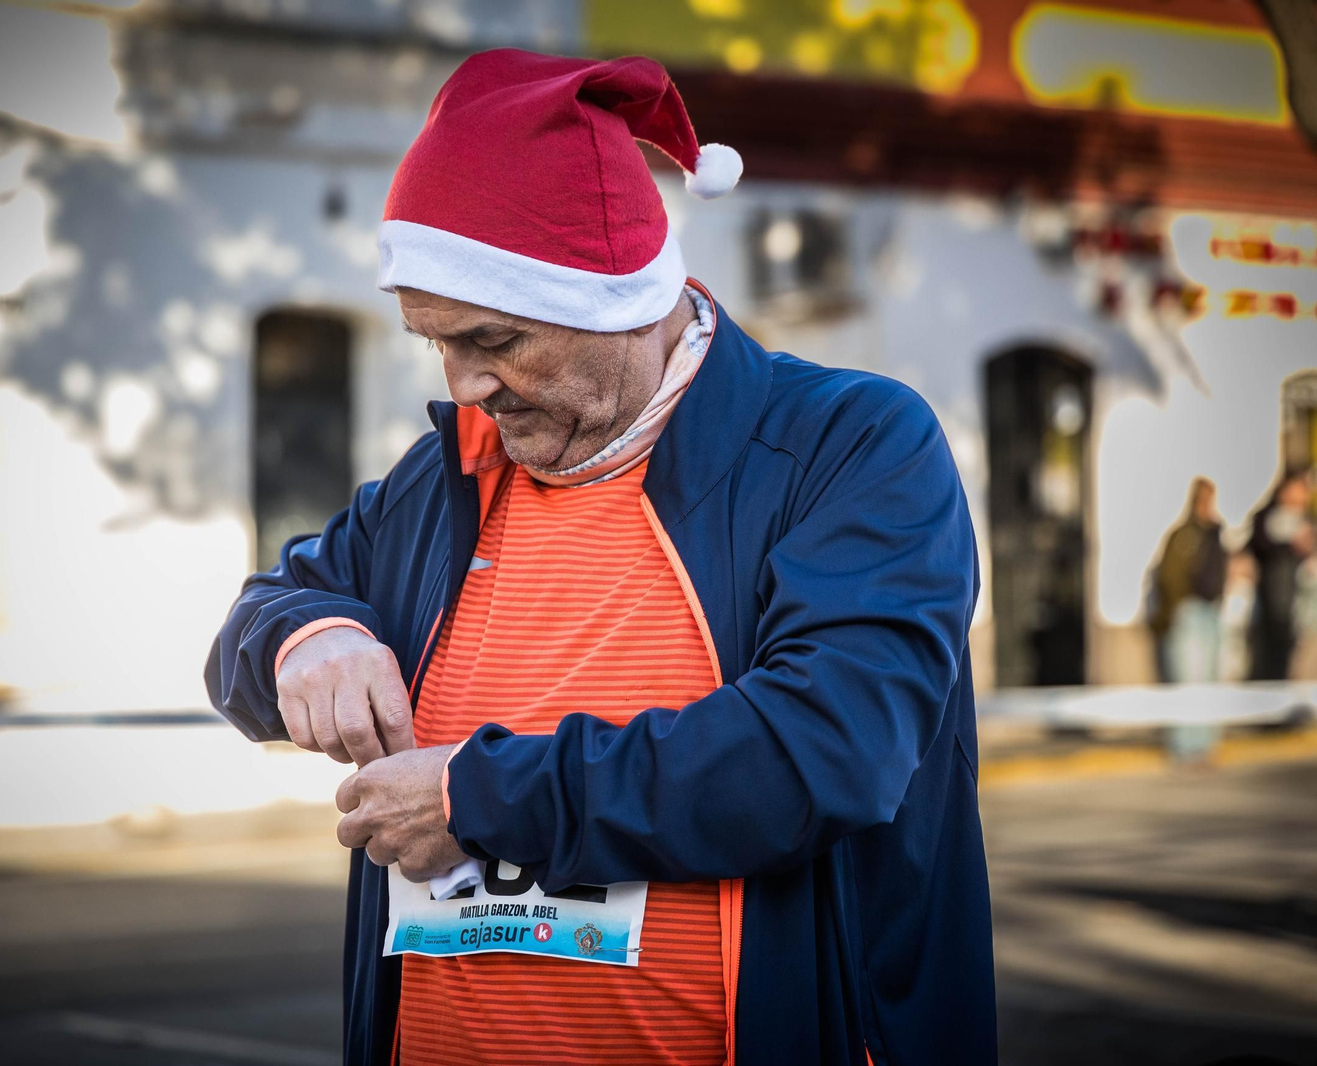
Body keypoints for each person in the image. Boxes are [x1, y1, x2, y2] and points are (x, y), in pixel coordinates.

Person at [207, 50, 992, 1066]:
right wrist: (307, 637)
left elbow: (823, 749)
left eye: (494, 339)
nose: (464, 384)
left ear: (614, 294)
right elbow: (260, 616)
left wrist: (478, 800)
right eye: (433, 342)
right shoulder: (451, 474)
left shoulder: (849, 446)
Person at [1149, 477, 1228, 683]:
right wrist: (1176, 609)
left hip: (1212, 611)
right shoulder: (1185, 536)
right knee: (1187, 681)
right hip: (1188, 613)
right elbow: (1170, 577)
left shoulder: (1214, 534)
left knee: (1209, 680)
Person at [1247, 471, 1313, 680]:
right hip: (1276, 609)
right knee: (1273, 664)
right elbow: (1258, 547)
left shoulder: (1307, 521)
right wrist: (1290, 544)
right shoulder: (1267, 519)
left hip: (1303, 613)